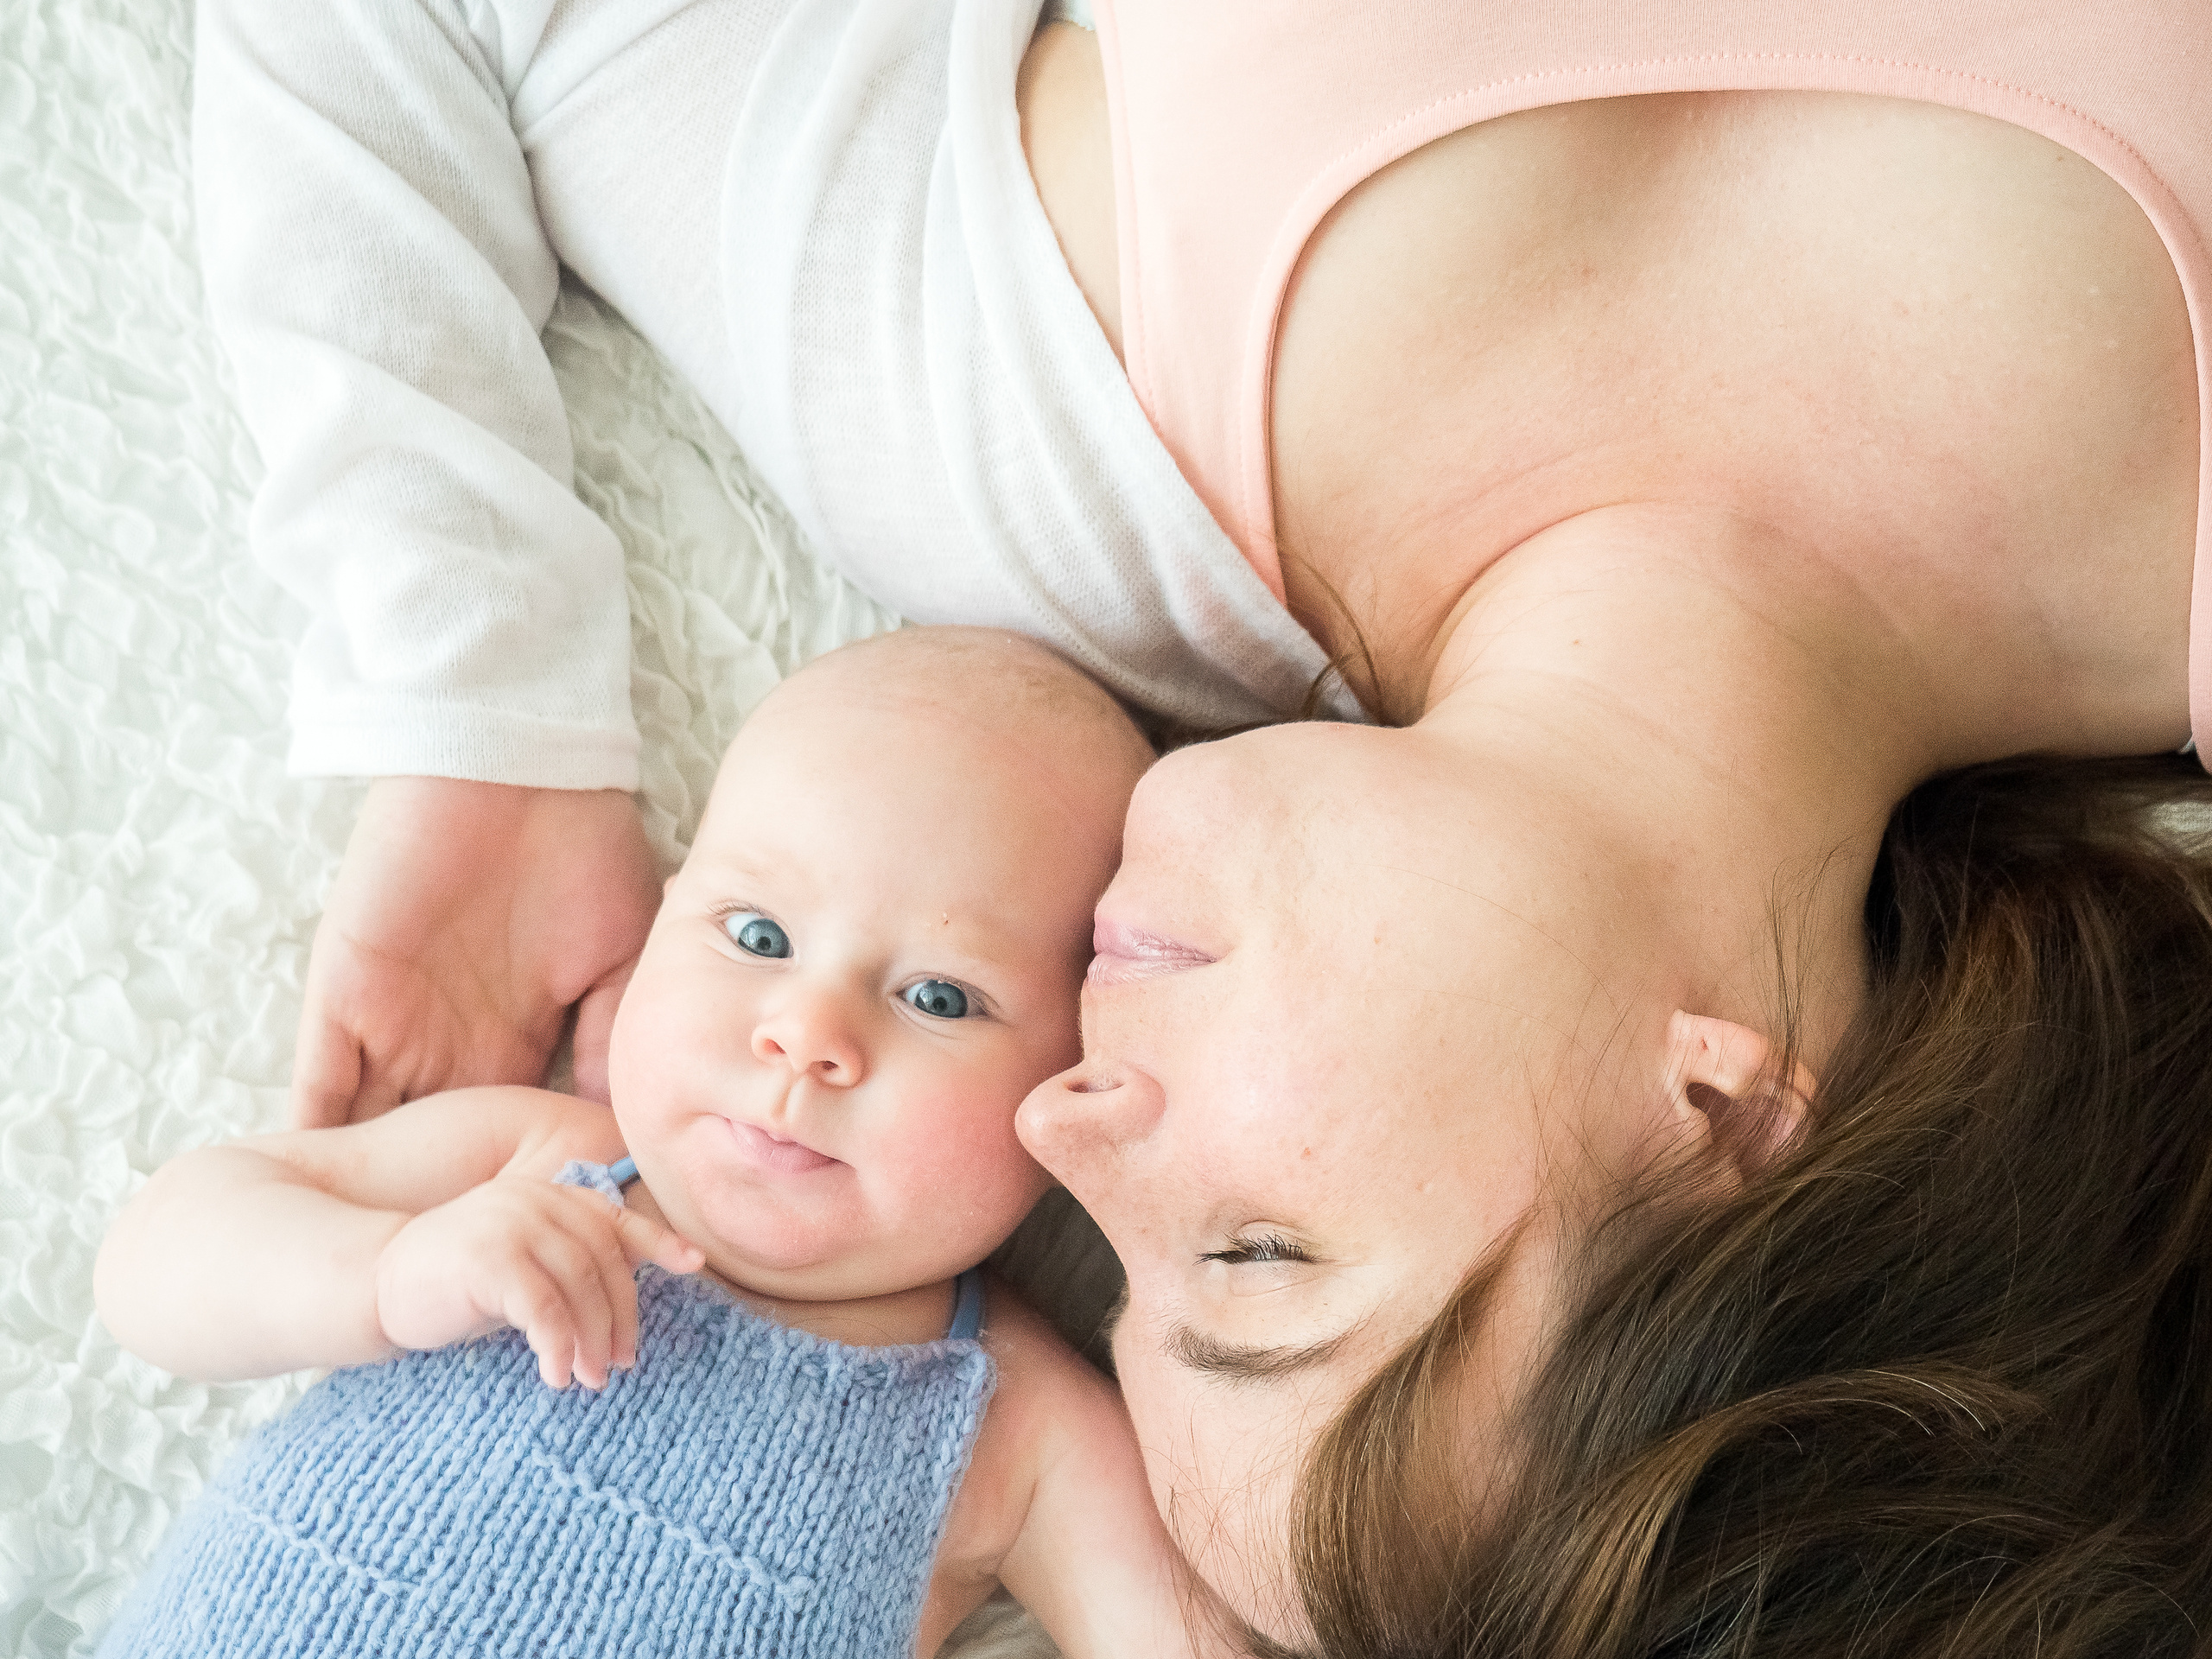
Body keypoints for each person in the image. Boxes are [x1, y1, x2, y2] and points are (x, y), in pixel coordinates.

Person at [190, 0, 2212, 1650]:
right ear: (1719, 1127)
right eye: (1249, 1256)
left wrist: (483, 719)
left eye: (1127, 1287)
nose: (1057, 1127)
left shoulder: (1010, 457)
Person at [92, 629, 1209, 1657]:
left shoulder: (1013, 1420)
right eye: (759, 935)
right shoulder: (529, 1162)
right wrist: (379, 1277)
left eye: (940, 997)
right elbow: (153, 1260)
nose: (808, 1035)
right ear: (661, 924)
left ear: (1077, 1087)